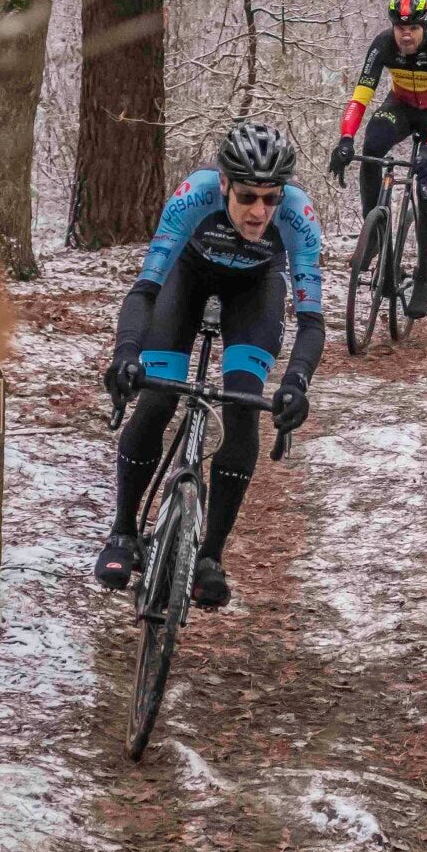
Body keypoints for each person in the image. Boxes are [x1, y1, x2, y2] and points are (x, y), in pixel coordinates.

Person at [95, 121, 323, 608]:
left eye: (271, 197)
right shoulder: (194, 197)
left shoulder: (298, 216)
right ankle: (123, 532)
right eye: (246, 196)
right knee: (158, 397)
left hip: (254, 290)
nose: (259, 211)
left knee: (243, 408)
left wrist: (297, 382)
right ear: (223, 184)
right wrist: (126, 353)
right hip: (189, 278)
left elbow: (311, 321)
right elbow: (145, 290)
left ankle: (210, 557)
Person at [327, 0, 427, 319]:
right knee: (371, 147)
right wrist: (345, 139)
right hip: (400, 106)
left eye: (413, 28)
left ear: (424, 27)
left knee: (426, 193)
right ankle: (374, 230)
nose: (406, 35)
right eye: (400, 28)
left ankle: (423, 278)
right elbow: (360, 97)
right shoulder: (382, 45)